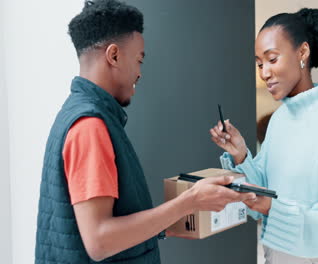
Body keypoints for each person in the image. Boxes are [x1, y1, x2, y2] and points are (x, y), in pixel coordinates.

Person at [35, 1, 255, 263]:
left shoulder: (81, 114)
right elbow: (100, 241)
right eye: (139, 60)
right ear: (114, 55)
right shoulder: (90, 126)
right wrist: (189, 202)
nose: (139, 73)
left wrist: (173, 218)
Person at [210, 8, 318, 264]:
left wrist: (273, 208)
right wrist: (241, 154)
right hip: (273, 256)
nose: (264, 72)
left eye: (272, 59)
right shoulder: (279, 120)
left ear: (302, 53)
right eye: (259, 63)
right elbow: (266, 193)